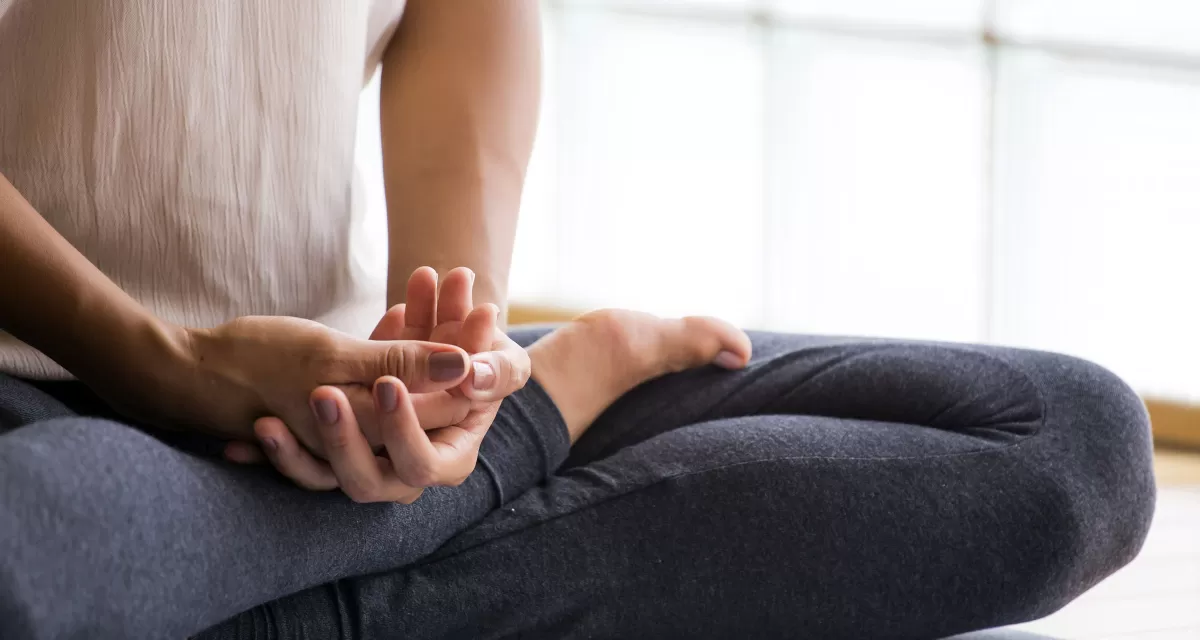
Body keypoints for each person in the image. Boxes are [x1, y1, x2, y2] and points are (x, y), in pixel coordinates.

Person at [0, 1, 1155, 638]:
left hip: (340, 379)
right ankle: (529, 433)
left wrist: (449, 361)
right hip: (35, 384)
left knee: (1068, 443)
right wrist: (162, 363)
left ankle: (462, 459)